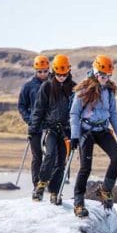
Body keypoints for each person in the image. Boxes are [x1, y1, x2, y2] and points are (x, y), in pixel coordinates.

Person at [70, 55, 117, 218]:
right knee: (86, 168)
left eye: (107, 76)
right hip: (86, 131)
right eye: (102, 75)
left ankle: (105, 190)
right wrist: (74, 136)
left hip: (102, 130)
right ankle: (79, 202)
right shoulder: (84, 89)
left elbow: (113, 113)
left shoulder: (109, 90)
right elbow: (74, 114)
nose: (104, 78)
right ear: (95, 72)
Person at [29, 54, 75, 205]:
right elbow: (38, 109)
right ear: (54, 72)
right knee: (49, 155)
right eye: (59, 74)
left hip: (66, 131)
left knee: (61, 162)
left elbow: (77, 112)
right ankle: (41, 185)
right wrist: (33, 128)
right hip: (50, 128)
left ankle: (55, 191)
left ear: (68, 71)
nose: (62, 77)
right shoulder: (47, 86)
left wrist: (76, 132)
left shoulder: (73, 88)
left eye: (64, 74)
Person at [18, 55, 50, 198]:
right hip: (35, 127)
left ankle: (49, 185)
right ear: (35, 71)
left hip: (51, 127)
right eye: (40, 71)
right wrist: (29, 120)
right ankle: (36, 186)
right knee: (37, 158)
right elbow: (22, 106)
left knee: (52, 157)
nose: (43, 74)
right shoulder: (28, 86)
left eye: (45, 71)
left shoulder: (54, 84)